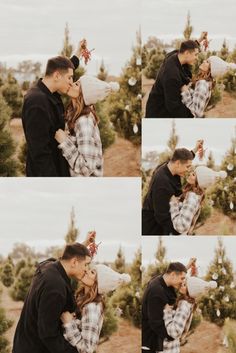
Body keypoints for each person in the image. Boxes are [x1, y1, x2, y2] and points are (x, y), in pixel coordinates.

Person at [13, 233, 95, 353]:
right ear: (74, 262)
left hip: (22, 344)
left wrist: (83, 246)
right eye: (86, 264)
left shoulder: (48, 266)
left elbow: (67, 257)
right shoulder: (55, 288)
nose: (86, 269)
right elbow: (48, 335)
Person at [22, 42, 84, 176]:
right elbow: (40, 154)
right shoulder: (37, 102)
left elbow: (65, 68)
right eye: (69, 78)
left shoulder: (50, 91)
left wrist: (78, 53)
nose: (71, 82)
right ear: (56, 76)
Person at [54, 75, 119, 177]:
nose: (71, 83)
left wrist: (64, 142)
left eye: (77, 84)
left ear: (84, 94)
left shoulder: (84, 122)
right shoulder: (74, 116)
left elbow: (86, 168)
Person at [61, 264, 131, 353]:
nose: (87, 271)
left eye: (92, 272)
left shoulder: (92, 308)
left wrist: (69, 323)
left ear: (99, 283)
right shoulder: (82, 297)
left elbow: (87, 349)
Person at [142, 140, 203, 235]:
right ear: (178, 163)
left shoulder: (171, 165)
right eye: (187, 167)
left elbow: (182, 158)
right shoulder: (162, 184)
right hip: (153, 227)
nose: (189, 170)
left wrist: (195, 150)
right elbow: (162, 217)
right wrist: (179, 233)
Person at [145, 40, 200, 118]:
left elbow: (187, 47)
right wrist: (191, 116)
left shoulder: (175, 54)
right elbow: (174, 107)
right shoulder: (172, 75)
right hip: (158, 113)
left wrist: (198, 41)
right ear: (187, 53)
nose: (197, 58)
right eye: (196, 55)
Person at [142, 262, 188, 353]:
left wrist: (187, 267)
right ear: (173, 274)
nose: (183, 282)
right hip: (150, 344)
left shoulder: (164, 281)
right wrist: (171, 336)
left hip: (157, 340)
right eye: (182, 278)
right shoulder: (156, 291)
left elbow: (177, 274)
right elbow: (155, 322)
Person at [163, 276, 217, 353]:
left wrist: (167, 311)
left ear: (189, 291)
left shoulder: (184, 305)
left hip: (168, 350)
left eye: (185, 285)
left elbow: (175, 332)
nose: (181, 284)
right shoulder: (185, 302)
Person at [170, 166, 227, 235]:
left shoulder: (192, 198)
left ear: (198, 182)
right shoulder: (192, 194)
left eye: (194, 174)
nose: (190, 173)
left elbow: (182, 226)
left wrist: (173, 204)